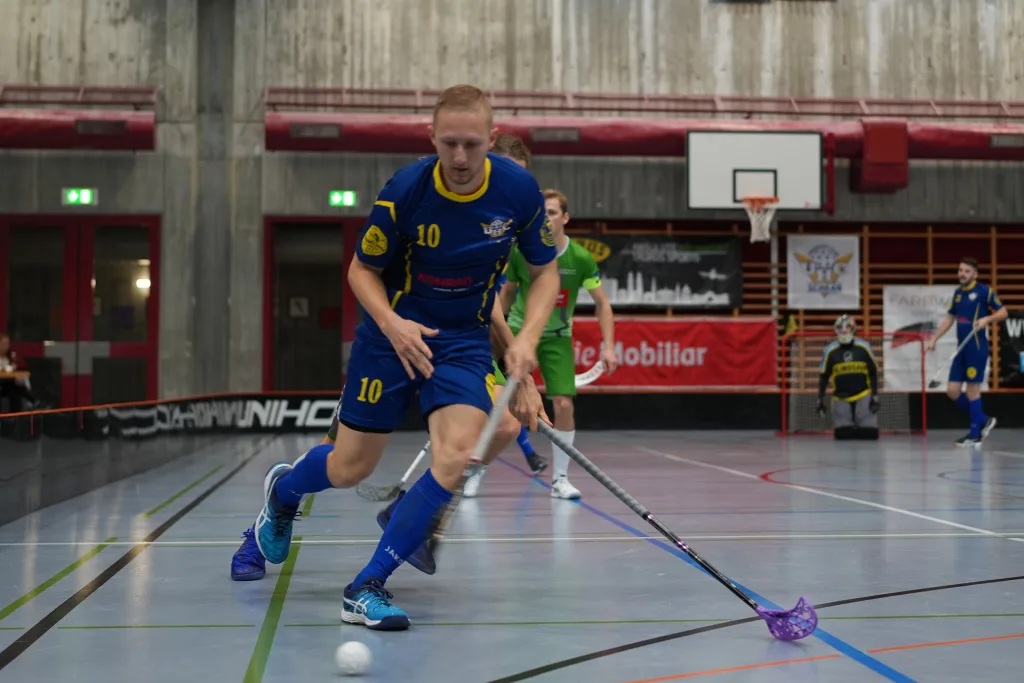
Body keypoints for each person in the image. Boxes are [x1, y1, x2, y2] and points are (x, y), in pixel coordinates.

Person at [235, 85, 560, 631]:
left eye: (472, 145)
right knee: (348, 467)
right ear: (431, 138)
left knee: (460, 451)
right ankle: (283, 492)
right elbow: (362, 271)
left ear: (493, 139)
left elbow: (545, 272)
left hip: (461, 341)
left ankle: (366, 585)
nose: (459, 158)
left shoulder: (518, 191)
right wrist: (393, 324)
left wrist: (524, 343)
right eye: (449, 144)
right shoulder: (406, 191)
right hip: (391, 337)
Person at [467, 188, 618, 499]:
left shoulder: (580, 258)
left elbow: (602, 303)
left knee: (563, 404)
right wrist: (492, 335)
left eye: (552, 213)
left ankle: (560, 479)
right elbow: (506, 295)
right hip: (519, 334)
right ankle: (475, 471)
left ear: (565, 218)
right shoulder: (524, 253)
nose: (546, 219)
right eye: (542, 213)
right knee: (497, 406)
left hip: (558, 337)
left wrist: (609, 346)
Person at [927, 257, 1005, 446]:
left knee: (972, 390)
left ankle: (974, 435)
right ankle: (983, 420)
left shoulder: (984, 292)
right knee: (952, 391)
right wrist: (934, 337)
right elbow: (949, 318)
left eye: (966, 271)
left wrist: (986, 320)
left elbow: (1003, 312)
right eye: (960, 270)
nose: (962, 274)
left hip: (976, 348)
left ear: (975, 274)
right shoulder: (958, 293)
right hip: (961, 349)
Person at [816, 316, 880, 440]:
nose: (844, 331)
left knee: (869, 435)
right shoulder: (830, 351)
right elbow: (824, 377)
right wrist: (820, 399)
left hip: (863, 395)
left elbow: (873, 372)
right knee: (842, 435)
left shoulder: (864, 347)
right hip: (840, 397)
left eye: (848, 327)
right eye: (840, 328)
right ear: (836, 330)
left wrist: (875, 395)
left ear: (853, 329)